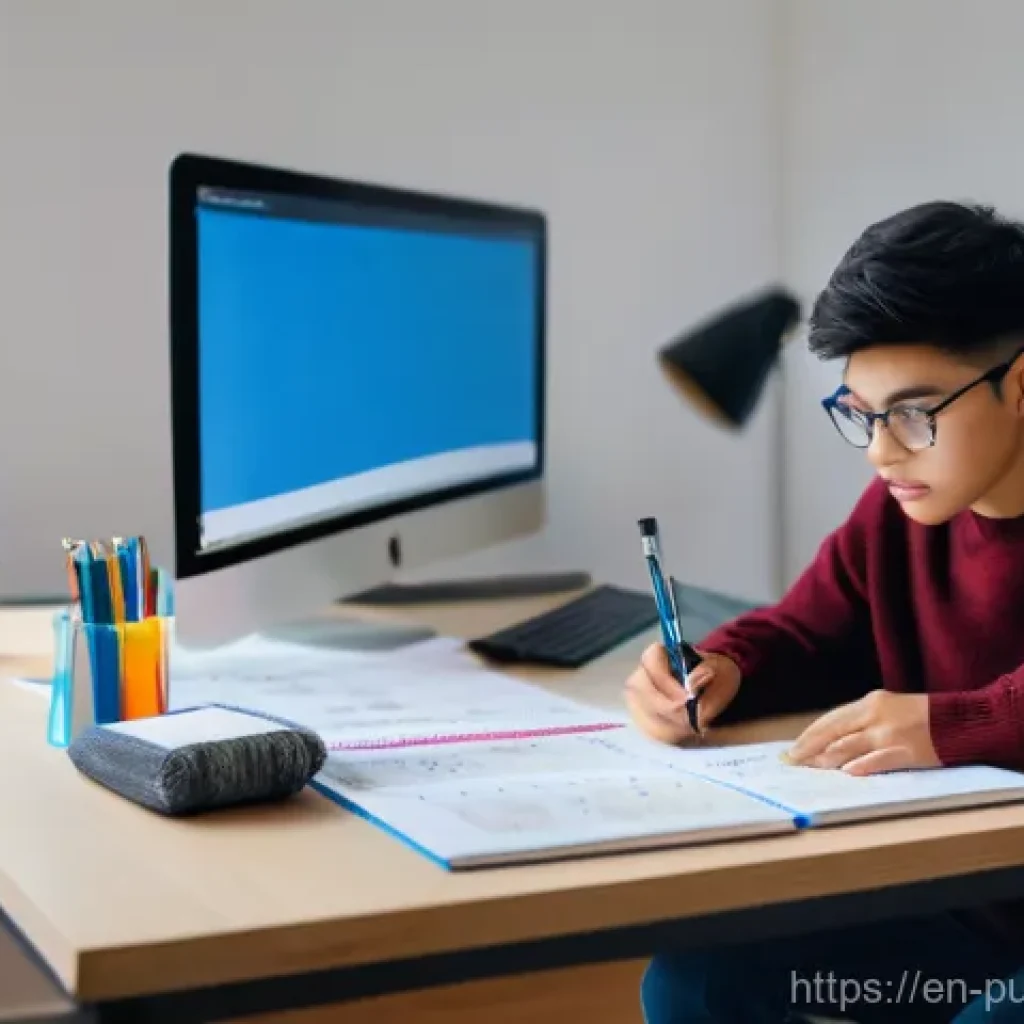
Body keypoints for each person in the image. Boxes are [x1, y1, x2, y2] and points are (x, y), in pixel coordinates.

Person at [626, 200, 1024, 1022]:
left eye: (915, 414)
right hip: (972, 926)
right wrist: (719, 667)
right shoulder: (904, 511)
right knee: (696, 977)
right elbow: (808, 629)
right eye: (859, 413)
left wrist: (957, 722)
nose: (881, 450)